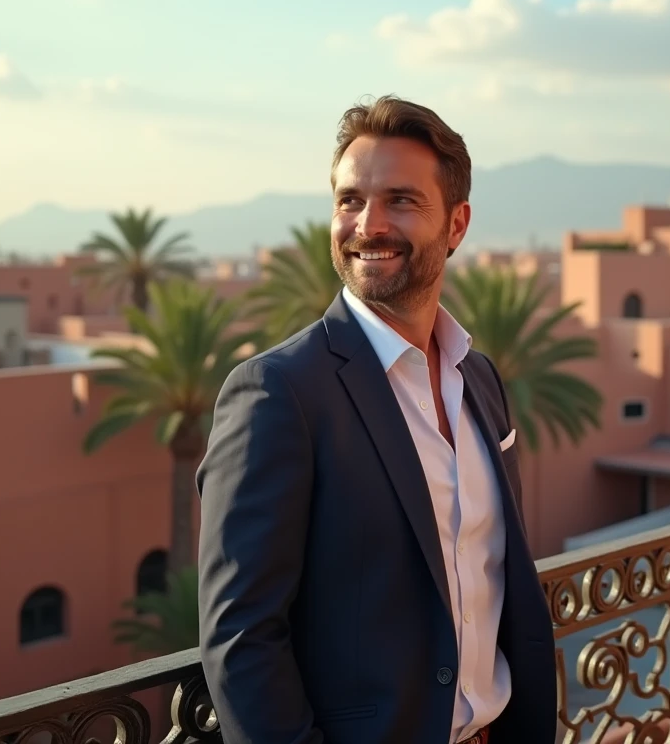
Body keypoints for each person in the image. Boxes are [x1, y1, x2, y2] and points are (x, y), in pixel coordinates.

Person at [196, 95, 557, 744]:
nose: (368, 224)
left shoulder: (479, 377)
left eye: (401, 200)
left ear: (456, 224)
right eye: (350, 201)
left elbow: (494, 569)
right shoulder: (277, 393)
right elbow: (242, 638)